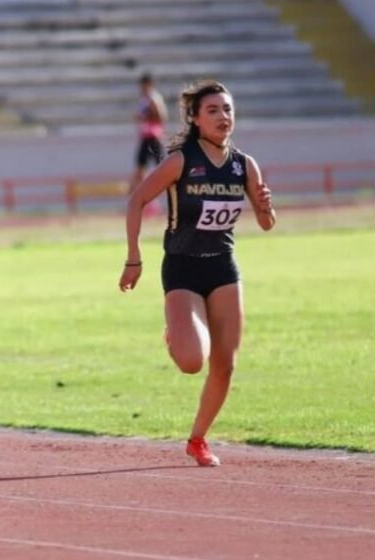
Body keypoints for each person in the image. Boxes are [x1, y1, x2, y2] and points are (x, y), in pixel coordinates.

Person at [118, 81, 275, 467]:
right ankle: (176, 333)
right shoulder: (180, 161)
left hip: (223, 267)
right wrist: (133, 257)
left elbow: (267, 223)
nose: (224, 117)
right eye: (214, 110)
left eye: (228, 109)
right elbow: (137, 199)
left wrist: (266, 207)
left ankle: (198, 439)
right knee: (192, 361)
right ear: (194, 117)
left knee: (226, 364)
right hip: (183, 268)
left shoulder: (245, 165)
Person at [130, 73, 168, 217]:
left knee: (162, 170)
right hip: (146, 136)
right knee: (140, 170)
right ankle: (145, 203)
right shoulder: (145, 99)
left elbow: (161, 116)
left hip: (153, 137)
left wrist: (144, 116)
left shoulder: (153, 98)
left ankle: (159, 201)